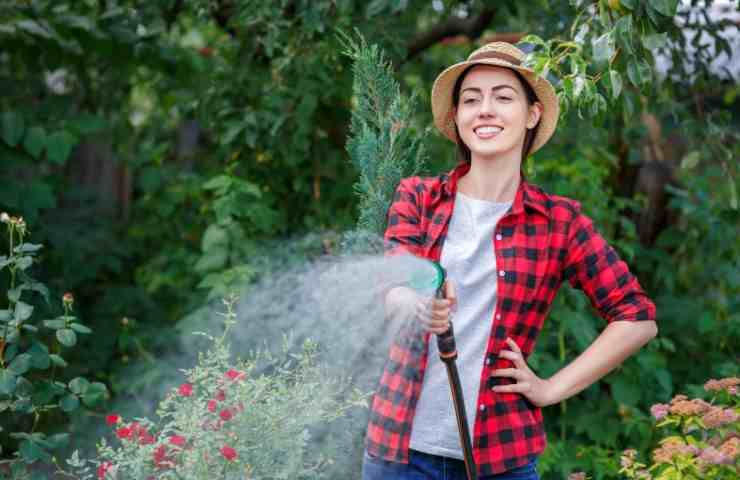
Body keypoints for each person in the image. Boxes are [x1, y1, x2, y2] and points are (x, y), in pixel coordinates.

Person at [362, 42, 658, 480]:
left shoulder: (558, 221)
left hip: (501, 459)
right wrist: (419, 305)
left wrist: (550, 388)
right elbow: (393, 288)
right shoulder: (419, 198)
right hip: (400, 455)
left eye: (502, 97)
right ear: (458, 118)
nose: (485, 109)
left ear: (532, 114)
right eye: (471, 99)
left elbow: (637, 317)